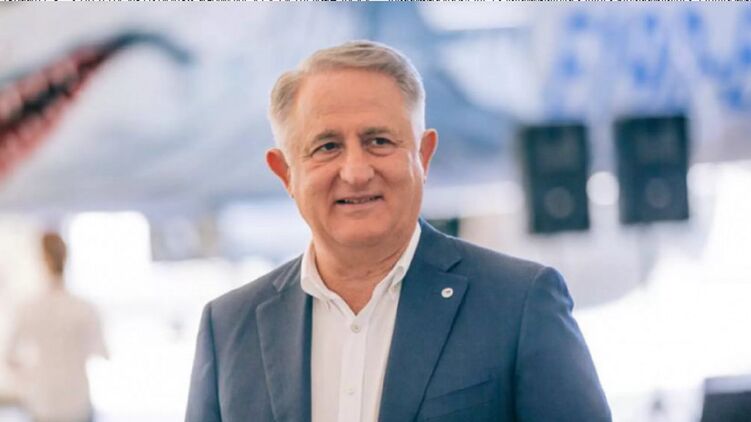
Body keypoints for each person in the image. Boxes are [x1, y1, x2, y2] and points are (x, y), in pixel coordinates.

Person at [186, 40, 611, 422]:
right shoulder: (228, 329)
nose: (356, 172)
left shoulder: (519, 303)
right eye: (327, 147)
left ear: (423, 155)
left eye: (379, 141)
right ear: (286, 173)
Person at [5, 232, 108, 422]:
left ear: (42, 258)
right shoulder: (84, 308)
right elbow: (102, 352)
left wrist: (32, 378)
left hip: (43, 404)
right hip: (76, 402)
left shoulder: (28, 308)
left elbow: (10, 357)